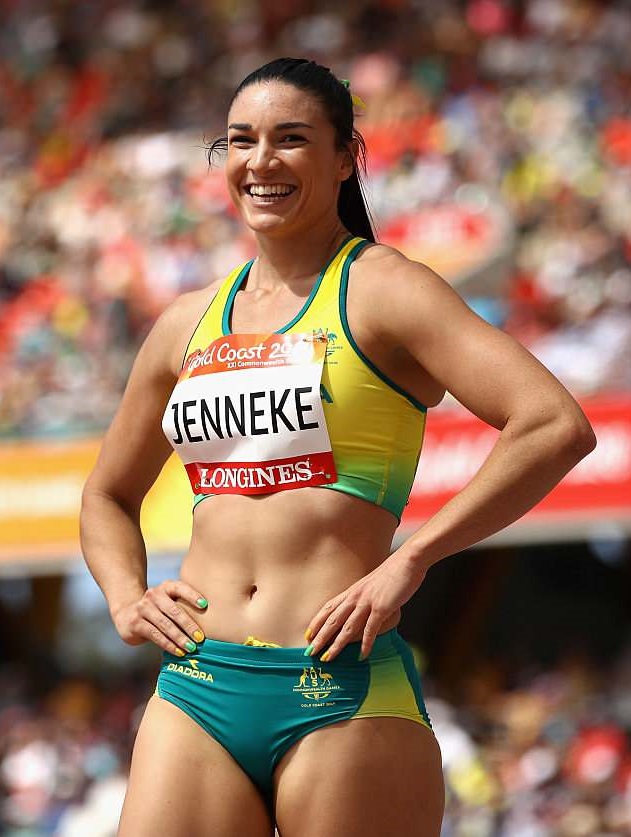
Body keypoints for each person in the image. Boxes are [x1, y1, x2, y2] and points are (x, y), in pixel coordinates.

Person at [80, 57, 596, 837]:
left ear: (345, 156)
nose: (261, 161)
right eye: (241, 141)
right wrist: (124, 596)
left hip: (339, 685)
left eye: (291, 139)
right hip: (197, 686)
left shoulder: (386, 288)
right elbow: (106, 496)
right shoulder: (183, 323)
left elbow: (553, 423)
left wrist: (410, 559)